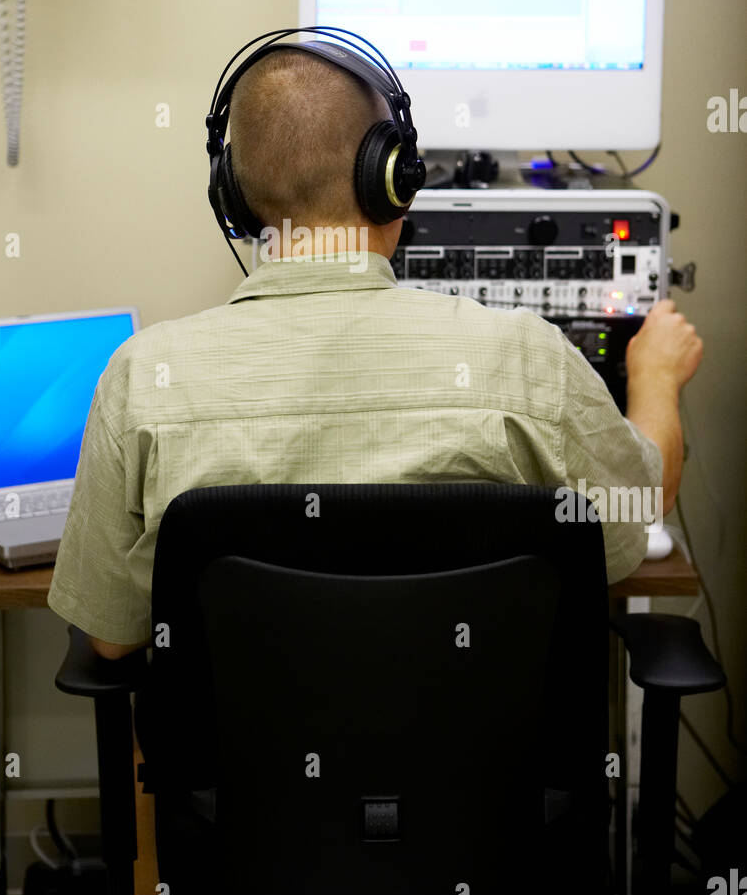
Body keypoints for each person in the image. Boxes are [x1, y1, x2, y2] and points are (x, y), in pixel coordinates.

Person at [47, 45, 703, 659]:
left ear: (235, 203)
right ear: (393, 181)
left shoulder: (143, 377)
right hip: (478, 780)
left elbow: (110, 638)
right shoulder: (527, 362)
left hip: (248, 784)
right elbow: (634, 520)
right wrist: (655, 378)